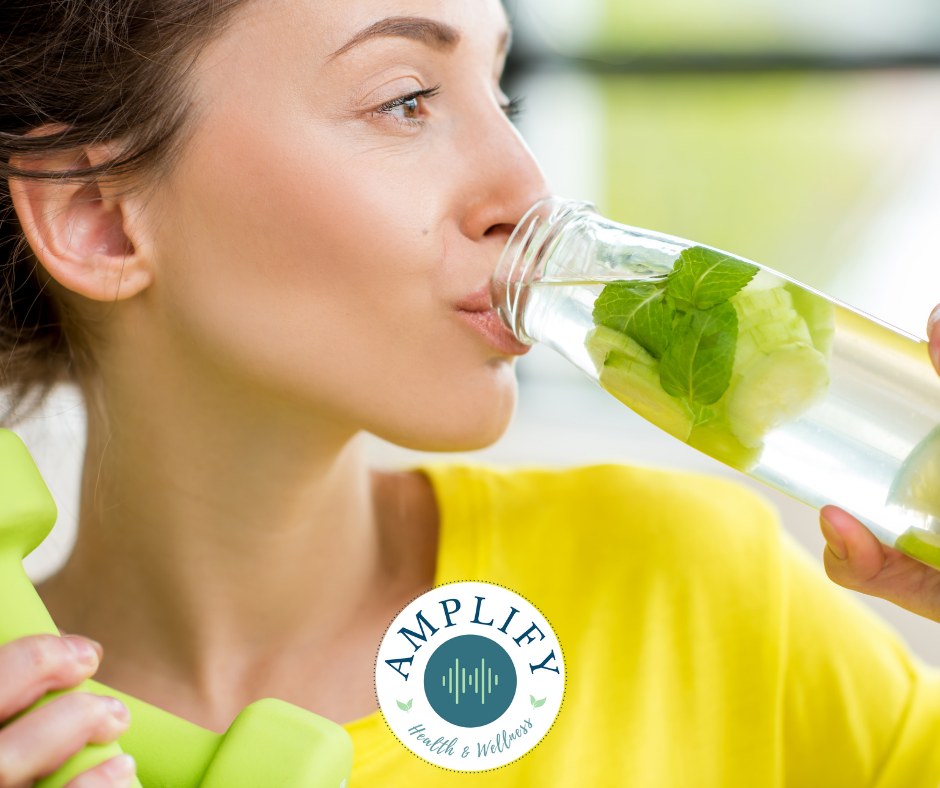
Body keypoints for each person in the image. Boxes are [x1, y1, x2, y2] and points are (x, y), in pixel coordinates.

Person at [1, 1, 940, 786]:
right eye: (405, 101)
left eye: (504, 95)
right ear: (99, 221)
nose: (528, 191)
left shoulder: (683, 589)